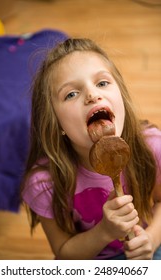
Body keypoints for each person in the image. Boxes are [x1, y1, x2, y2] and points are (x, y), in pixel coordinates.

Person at [21, 38, 161, 260]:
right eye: (71, 94)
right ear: (56, 123)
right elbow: (64, 254)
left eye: (102, 83)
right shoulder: (45, 183)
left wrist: (151, 241)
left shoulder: (152, 148)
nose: (92, 95)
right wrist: (104, 231)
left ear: (122, 97)